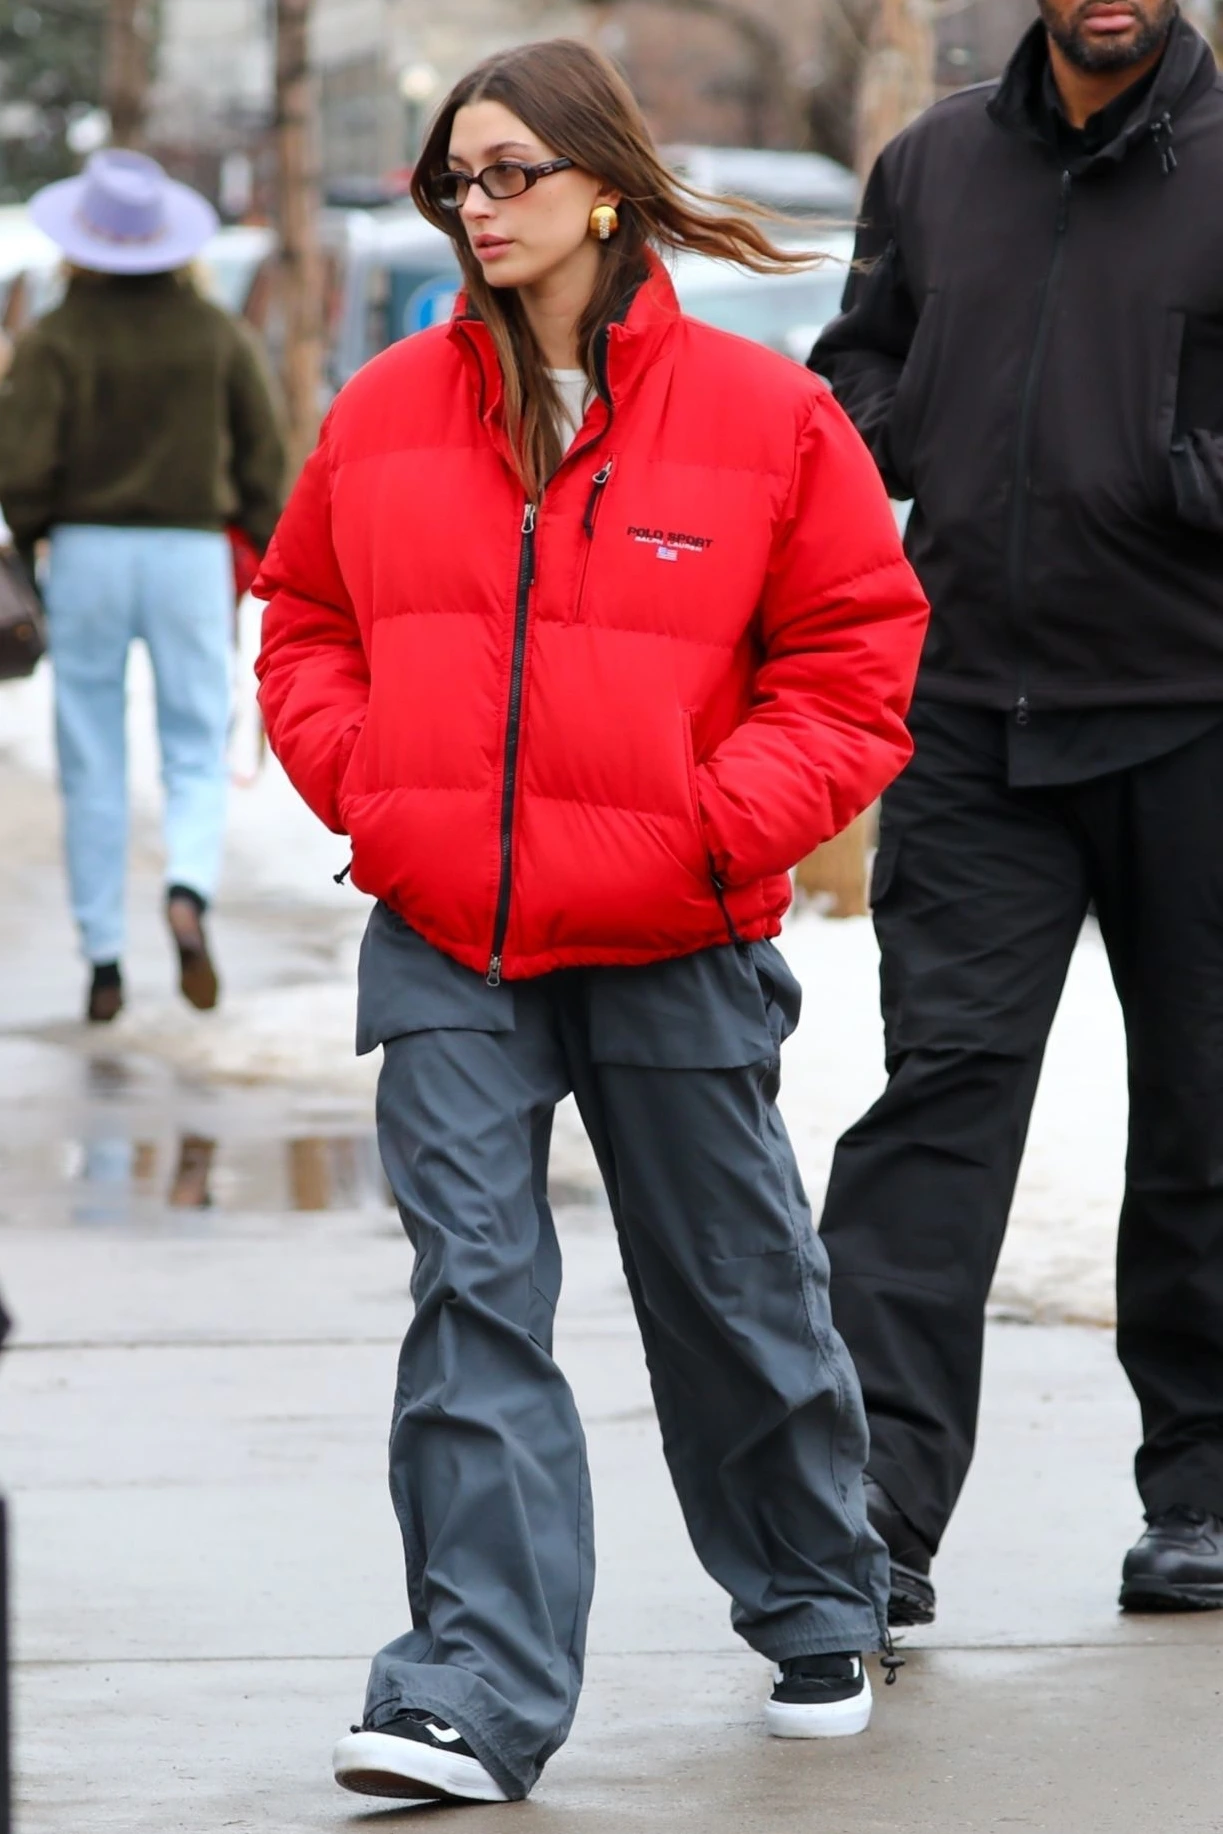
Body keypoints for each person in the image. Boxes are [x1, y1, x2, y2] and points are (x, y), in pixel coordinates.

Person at [255, 37, 928, 1808]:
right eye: (452, 179)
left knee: (729, 1286)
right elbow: (303, 619)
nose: (474, 207)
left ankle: (814, 1586)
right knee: (471, 1296)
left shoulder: (763, 417)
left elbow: (854, 657)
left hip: (670, 925)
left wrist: (714, 826)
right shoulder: (384, 407)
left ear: (605, 190)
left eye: (509, 173)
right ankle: (468, 1686)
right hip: (447, 931)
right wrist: (378, 789)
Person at [810, 0, 1223, 1626]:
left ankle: (1201, 1487)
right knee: (937, 1105)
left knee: (1202, 1113)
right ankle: (868, 1509)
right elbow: (855, 363)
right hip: (970, 714)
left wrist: (1178, 464)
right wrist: (905, 426)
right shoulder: (929, 164)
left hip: (1196, 713)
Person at [0, 149, 285, 1023]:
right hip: (189, 553)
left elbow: (19, 468)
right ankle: (188, 888)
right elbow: (264, 458)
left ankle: (102, 957)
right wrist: (269, 543)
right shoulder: (216, 335)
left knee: (91, 754)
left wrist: (33, 540)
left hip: (87, 552)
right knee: (194, 739)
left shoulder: (56, 338)